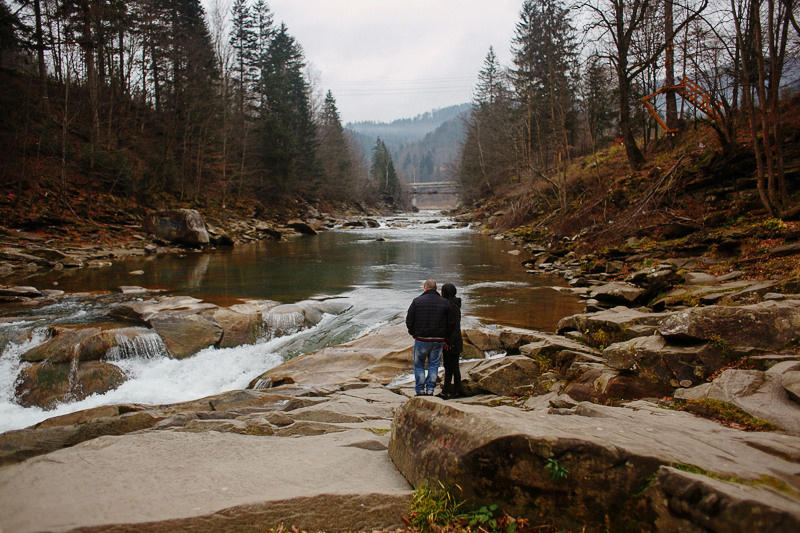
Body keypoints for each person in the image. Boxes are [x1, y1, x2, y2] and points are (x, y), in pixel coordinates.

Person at [406, 279, 452, 396]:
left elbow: (409, 320)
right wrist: (445, 337)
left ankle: (420, 390)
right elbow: (450, 323)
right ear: (436, 289)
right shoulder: (445, 303)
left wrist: (413, 333)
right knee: (433, 365)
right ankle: (430, 390)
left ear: (424, 288)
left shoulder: (417, 301)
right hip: (438, 339)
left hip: (421, 338)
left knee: (419, 365)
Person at [438, 283, 463, 399]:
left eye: (442, 291)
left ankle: (456, 391)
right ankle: (445, 390)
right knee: (448, 368)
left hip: (453, 342)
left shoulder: (453, 307)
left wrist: (449, 342)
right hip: (448, 341)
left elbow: (455, 328)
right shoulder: (449, 304)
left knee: (454, 367)